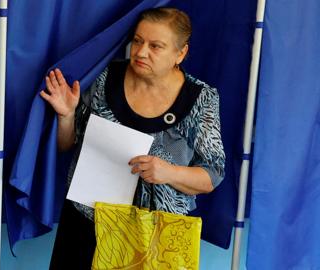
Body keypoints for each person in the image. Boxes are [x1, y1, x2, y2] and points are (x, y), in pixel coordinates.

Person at [40, 7, 225, 270]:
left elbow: (212, 174)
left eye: (156, 46)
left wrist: (168, 172)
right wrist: (67, 115)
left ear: (180, 53)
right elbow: (66, 145)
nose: (141, 52)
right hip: (88, 220)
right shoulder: (105, 78)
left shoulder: (201, 98)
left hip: (155, 235)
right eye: (138, 40)